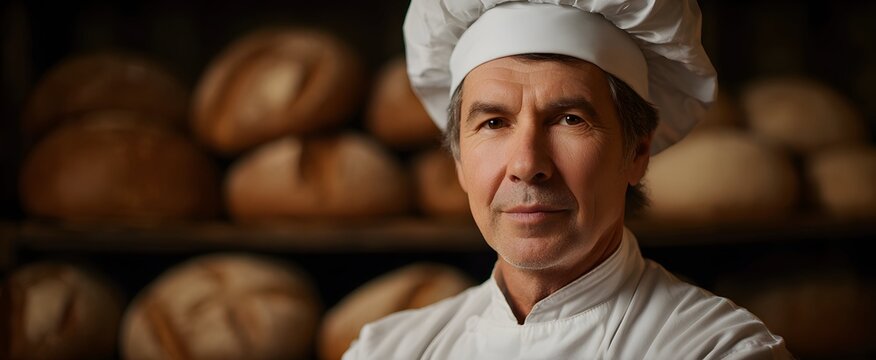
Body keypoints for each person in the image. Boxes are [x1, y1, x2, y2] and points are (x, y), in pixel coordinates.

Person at [344, 1, 793, 359]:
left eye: (569, 119)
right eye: (494, 123)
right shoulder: (387, 349)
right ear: (459, 162)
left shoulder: (716, 350)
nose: (527, 164)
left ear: (636, 152)